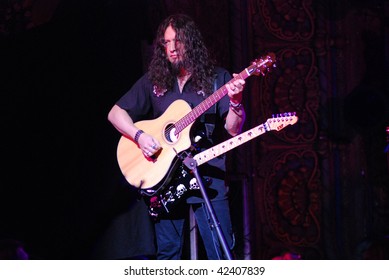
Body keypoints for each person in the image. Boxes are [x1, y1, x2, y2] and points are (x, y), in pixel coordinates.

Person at [108, 13, 246, 260]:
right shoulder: (156, 80)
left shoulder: (218, 79)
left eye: (177, 41)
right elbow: (115, 113)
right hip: (165, 180)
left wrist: (235, 102)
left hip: (206, 176)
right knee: (168, 256)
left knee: (221, 256)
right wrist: (139, 136)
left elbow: (233, 129)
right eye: (166, 43)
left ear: (190, 42)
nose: (171, 49)